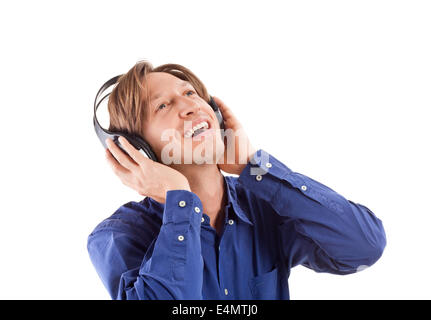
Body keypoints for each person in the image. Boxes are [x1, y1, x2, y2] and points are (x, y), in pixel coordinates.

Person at [87, 60, 387, 300]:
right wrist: (179, 200)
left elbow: (364, 246)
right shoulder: (117, 236)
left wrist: (254, 168)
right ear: (136, 148)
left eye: (190, 93)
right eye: (162, 105)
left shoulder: (264, 207)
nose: (191, 106)